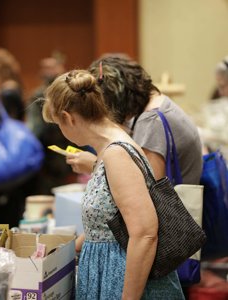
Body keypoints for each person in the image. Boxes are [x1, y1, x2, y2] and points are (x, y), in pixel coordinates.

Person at [42, 69, 185, 299]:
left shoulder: (116, 153)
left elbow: (145, 234)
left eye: (59, 123)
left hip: (120, 279)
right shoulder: (110, 149)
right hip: (108, 271)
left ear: (68, 118)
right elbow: (108, 223)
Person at [66, 55, 202, 185]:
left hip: (175, 207)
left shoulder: (151, 120)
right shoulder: (158, 103)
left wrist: (96, 166)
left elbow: (147, 187)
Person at [26, 52, 77, 194]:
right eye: (44, 67)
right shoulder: (37, 96)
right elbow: (35, 129)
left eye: (51, 67)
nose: (47, 71)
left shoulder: (71, 92)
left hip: (68, 148)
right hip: (46, 156)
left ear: (61, 67)